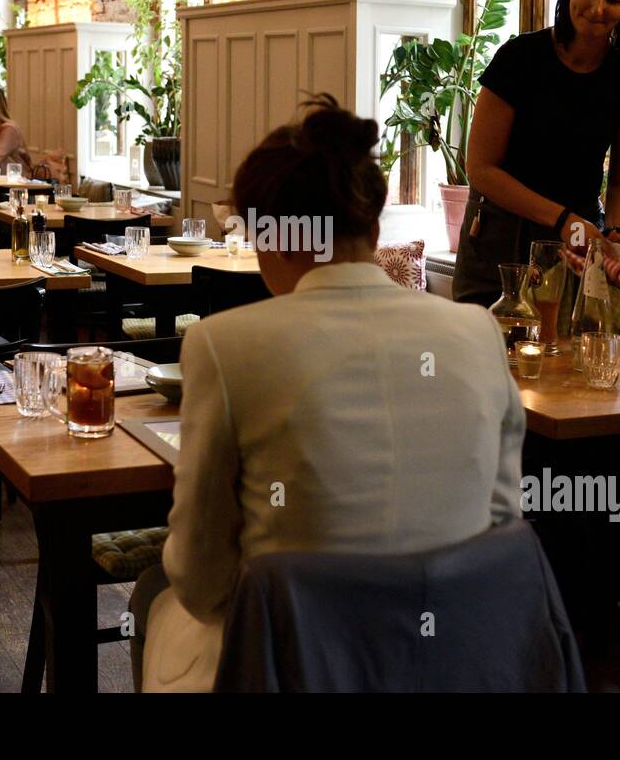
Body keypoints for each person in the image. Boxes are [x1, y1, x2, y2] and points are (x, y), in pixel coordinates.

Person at [129, 95, 526, 692]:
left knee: (153, 593)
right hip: (455, 659)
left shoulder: (224, 344)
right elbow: (501, 527)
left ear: (265, 233)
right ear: (374, 223)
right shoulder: (476, 330)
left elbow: (199, 577)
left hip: (292, 664)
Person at [453, 0, 620, 308]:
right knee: (490, 361)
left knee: (583, 362)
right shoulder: (519, 59)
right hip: (499, 238)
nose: (597, 8)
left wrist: (614, 235)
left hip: (579, 247)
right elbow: (481, 169)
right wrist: (563, 221)